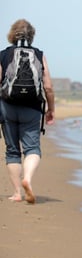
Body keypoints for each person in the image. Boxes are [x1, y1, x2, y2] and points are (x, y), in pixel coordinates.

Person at [1, 19, 55, 204]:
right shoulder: (39, 55)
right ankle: (28, 179)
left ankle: (17, 193)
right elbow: (48, 87)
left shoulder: (4, 55)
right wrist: (51, 109)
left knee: (12, 151)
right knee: (32, 148)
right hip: (32, 108)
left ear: (11, 34)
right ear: (31, 36)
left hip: (7, 106)